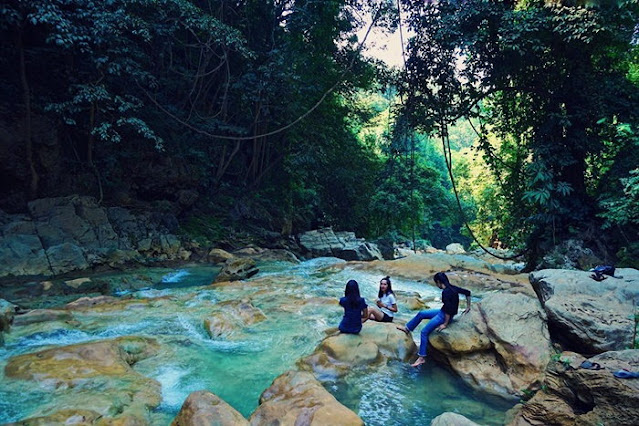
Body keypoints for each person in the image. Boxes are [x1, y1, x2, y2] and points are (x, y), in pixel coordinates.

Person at [397, 272, 471, 367]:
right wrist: (468, 306)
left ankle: (421, 358)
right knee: (421, 314)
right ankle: (408, 328)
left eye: (436, 283)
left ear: (439, 282)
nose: (436, 285)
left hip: (444, 316)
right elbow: (468, 293)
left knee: (424, 332)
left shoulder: (446, 292)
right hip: (442, 312)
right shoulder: (453, 288)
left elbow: (448, 310)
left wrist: (445, 324)